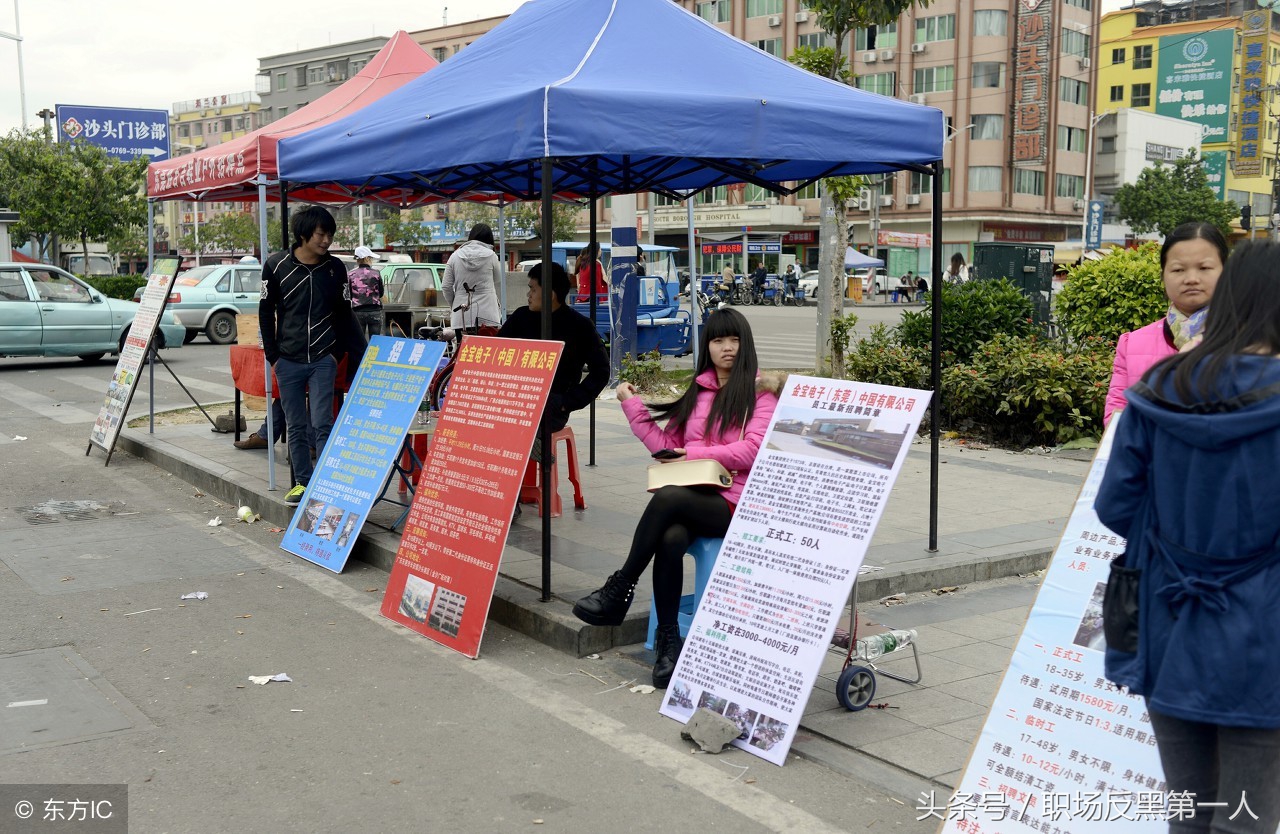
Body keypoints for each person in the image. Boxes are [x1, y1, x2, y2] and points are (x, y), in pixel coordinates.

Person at [1095, 240, 1280, 834]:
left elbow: (1115, 505)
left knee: (1188, 811)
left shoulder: (1157, 389)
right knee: (1248, 818)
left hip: (1168, 620)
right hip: (1264, 636)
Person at [571, 308, 781, 688]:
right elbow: (668, 447)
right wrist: (632, 407)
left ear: (745, 344)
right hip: (695, 498)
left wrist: (696, 455)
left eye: (734, 340)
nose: (727, 348)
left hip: (736, 502)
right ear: (708, 346)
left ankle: (619, 588)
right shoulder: (698, 389)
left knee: (667, 498)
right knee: (670, 540)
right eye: (718, 340)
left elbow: (752, 451)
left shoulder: (761, 392)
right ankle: (669, 644)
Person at [259, 206, 367, 506]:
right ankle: (303, 484)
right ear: (304, 233)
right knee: (295, 426)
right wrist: (273, 356)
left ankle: (326, 483)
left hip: (323, 358)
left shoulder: (335, 269)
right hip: (287, 359)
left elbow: (345, 315)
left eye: (330, 234)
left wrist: (336, 354)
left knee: (322, 422)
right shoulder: (276, 265)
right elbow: (265, 312)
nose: (326, 240)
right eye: (321, 234)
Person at [1104, 221, 1226, 426]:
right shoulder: (1132, 344)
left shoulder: (1249, 339)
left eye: (1204, 267)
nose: (1191, 279)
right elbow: (1116, 416)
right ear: (1163, 276)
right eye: (1178, 270)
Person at [498, 262, 609, 433]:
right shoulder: (520, 318)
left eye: (533, 290)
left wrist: (567, 402)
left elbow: (601, 371)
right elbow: (496, 352)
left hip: (551, 409)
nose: (528, 295)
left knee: (522, 432)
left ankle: (540, 458)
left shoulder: (580, 326)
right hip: (513, 401)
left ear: (549, 295)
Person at [442, 223, 502, 329]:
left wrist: (455, 304)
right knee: (486, 346)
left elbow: (446, 286)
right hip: (488, 316)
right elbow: (498, 279)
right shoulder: (492, 256)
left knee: (463, 346)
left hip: (461, 317)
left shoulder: (454, 256)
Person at [346, 245, 384, 339]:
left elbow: (348, 295)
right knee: (374, 342)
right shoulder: (376, 273)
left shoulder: (350, 274)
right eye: (370, 258)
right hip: (375, 311)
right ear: (366, 258)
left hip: (357, 312)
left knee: (359, 342)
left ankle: (361, 354)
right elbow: (381, 293)